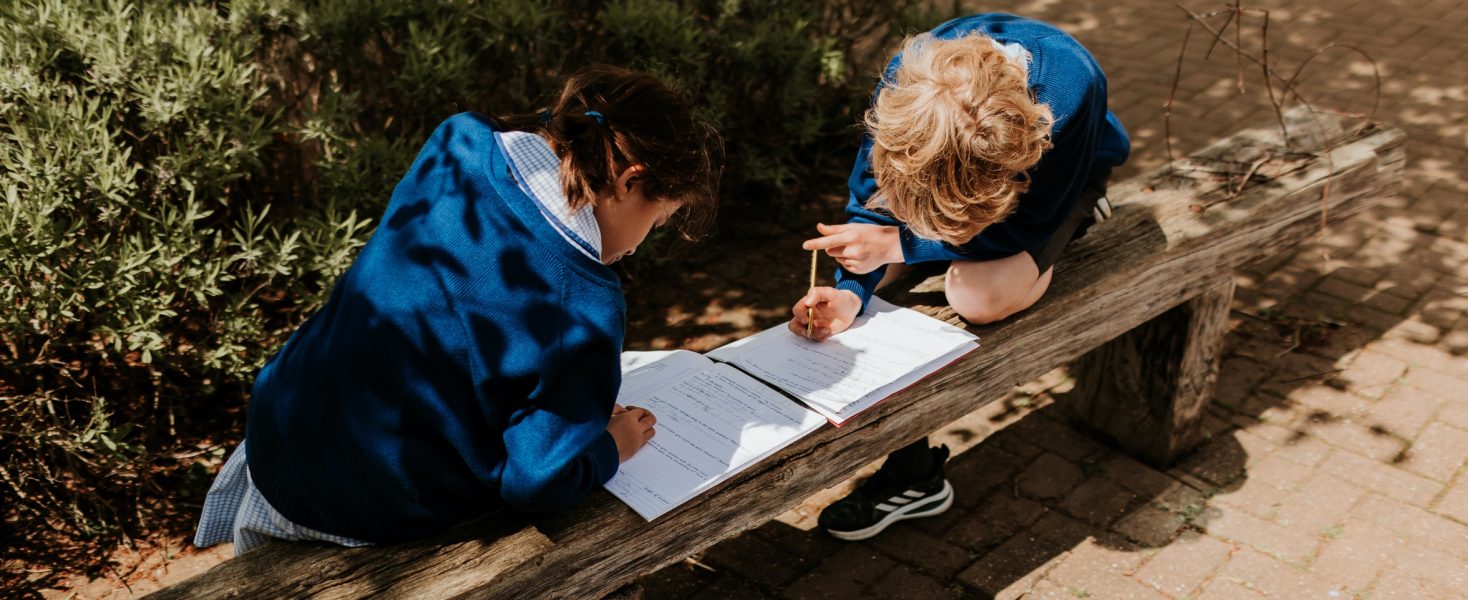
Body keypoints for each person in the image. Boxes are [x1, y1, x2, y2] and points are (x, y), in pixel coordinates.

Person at [194, 65, 721, 554]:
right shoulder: (582, 304)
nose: (636, 247)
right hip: (363, 505)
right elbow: (538, 480)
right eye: (658, 220)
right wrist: (609, 446)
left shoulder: (461, 142)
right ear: (630, 182)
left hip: (282, 432)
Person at [789, 13, 1130, 541]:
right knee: (879, 259)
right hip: (961, 180)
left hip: (1062, 181)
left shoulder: (1073, 86)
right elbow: (870, 208)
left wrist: (901, 243)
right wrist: (849, 289)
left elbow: (1026, 224)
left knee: (976, 295)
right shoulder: (907, 91)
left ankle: (1085, 215)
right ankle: (914, 473)